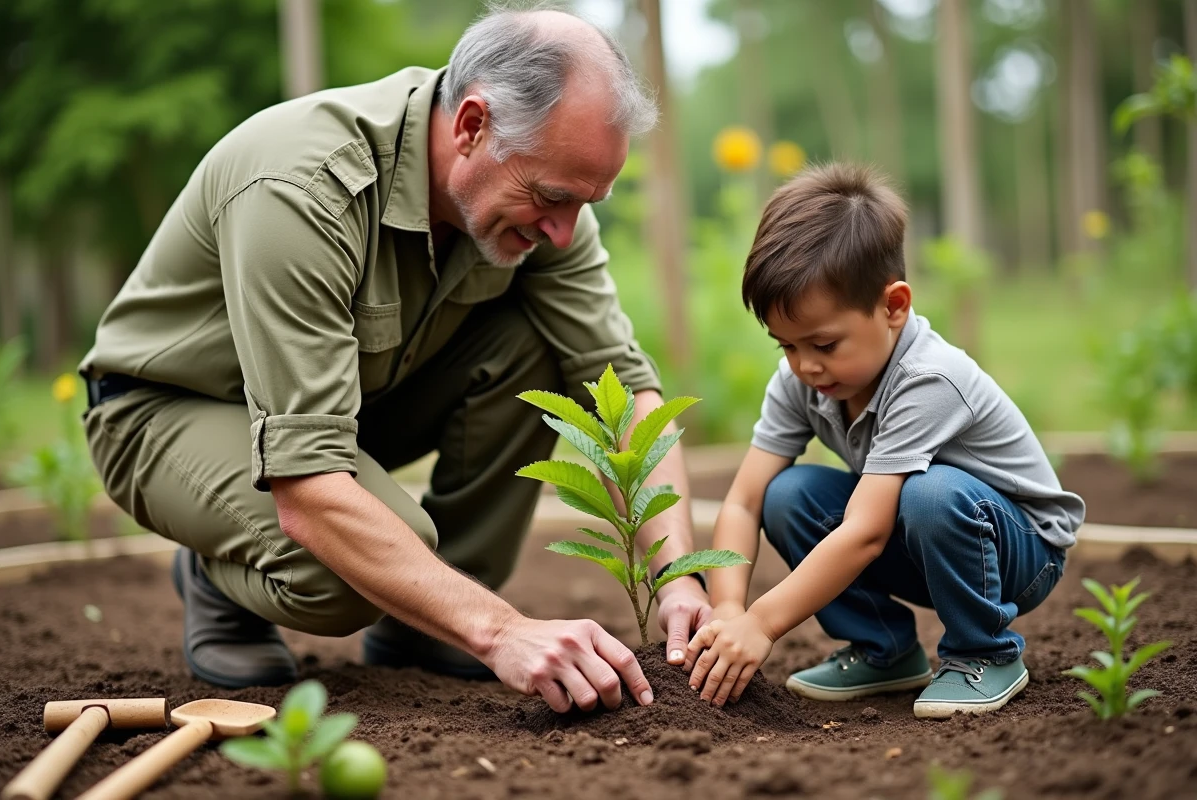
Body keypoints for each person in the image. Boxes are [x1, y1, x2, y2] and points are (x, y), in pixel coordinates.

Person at [78, 7, 714, 713]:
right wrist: (503, 632)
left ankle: (433, 623)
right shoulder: (304, 187)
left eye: (585, 202)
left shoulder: (535, 185)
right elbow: (310, 483)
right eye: (553, 199)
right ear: (472, 126)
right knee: (340, 574)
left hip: (343, 408)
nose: (564, 233)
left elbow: (621, 388)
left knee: (543, 349)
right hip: (166, 411)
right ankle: (217, 575)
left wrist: (679, 577)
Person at [683, 163, 1085, 718]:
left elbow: (868, 532)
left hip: (1018, 551)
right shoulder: (803, 380)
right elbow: (744, 499)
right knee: (788, 492)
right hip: (925, 539)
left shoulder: (927, 379)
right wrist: (727, 605)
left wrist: (762, 622)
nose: (805, 366)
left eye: (823, 343)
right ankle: (885, 650)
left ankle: (983, 652)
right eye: (786, 347)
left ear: (894, 307)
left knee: (930, 491)